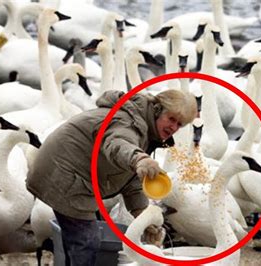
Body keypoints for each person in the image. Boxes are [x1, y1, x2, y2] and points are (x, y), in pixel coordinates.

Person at [26, 89, 198, 266]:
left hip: (69, 170)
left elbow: (130, 177)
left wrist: (142, 214)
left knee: (77, 239)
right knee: (87, 240)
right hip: (64, 171)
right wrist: (139, 158)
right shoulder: (128, 123)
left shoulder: (144, 128)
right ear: (156, 110)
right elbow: (117, 144)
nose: (174, 128)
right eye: (171, 119)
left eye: (180, 124)